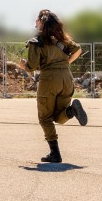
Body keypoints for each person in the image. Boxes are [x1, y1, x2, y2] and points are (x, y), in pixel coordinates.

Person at [20, 9, 88, 163]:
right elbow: (78, 49)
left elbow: (31, 66)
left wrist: (23, 65)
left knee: (45, 118)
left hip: (49, 80)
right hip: (66, 78)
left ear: (41, 23)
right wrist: (66, 63)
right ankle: (71, 110)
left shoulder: (36, 42)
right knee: (60, 115)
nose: (35, 22)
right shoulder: (62, 39)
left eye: (37, 20)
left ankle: (55, 153)